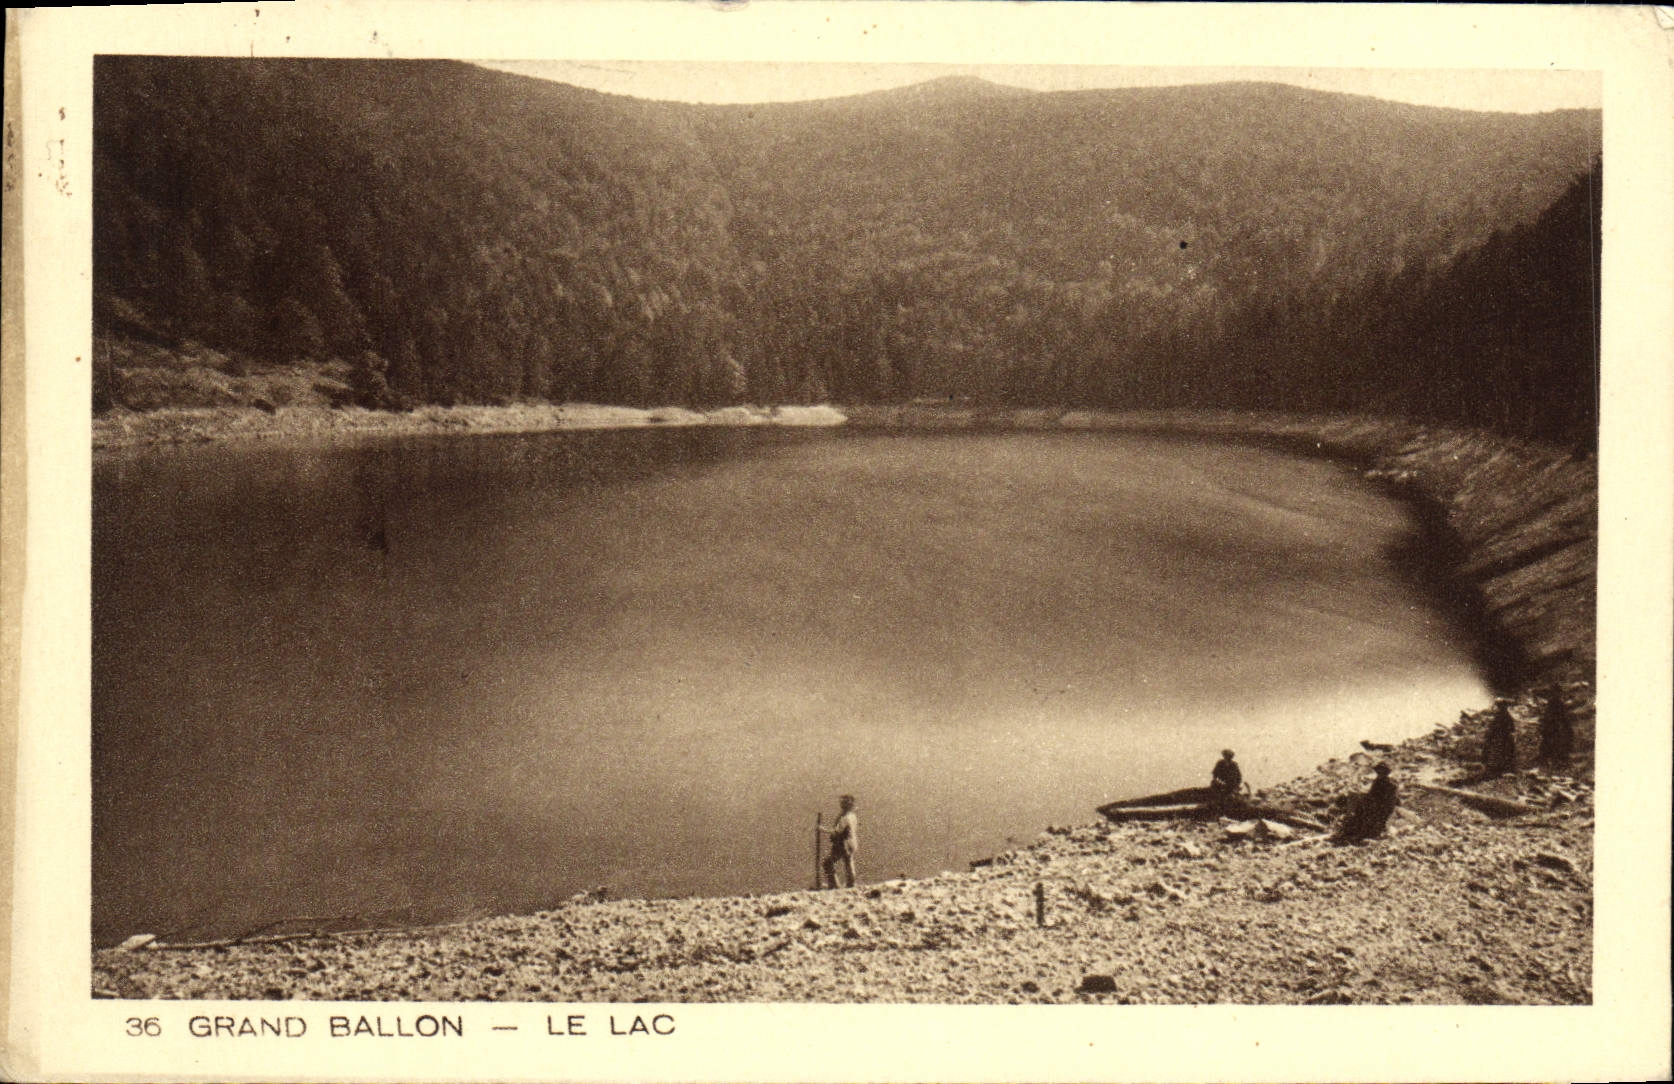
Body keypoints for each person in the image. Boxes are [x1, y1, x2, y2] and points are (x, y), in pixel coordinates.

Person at [1334, 762, 1398, 842]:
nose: (1379, 773)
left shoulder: (1384, 783)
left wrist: (1364, 799)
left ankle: (1354, 832)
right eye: (1378, 771)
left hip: (1379, 809)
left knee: (1359, 809)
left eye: (1380, 771)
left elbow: (1377, 797)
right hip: (1380, 808)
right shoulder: (1388, 783)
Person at [819, 794, 859, 889]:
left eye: (843, 802)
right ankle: (851, 884)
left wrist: (822, 829)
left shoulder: (845, 817)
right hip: (852, 843)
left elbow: (837, 831)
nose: (841, 803)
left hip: (843, 844)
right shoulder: (853, 816)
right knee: (848, 862)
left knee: (827, 863)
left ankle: (834, 885)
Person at [1538, 685, 1575, 765]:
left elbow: (1561, 717)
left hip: (1553, 727)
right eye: (1556, 693)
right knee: (1554, 743)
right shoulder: (1556, 703)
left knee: (1552, 743)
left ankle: (1551, 760)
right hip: (1554, 727)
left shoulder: (1554, 703)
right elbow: (1562, 717)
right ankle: (1553, 760)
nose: (1557, 694)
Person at [1481, 699, 1517, 776]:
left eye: (1499, 706)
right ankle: (1499, 768)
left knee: (1497, 751)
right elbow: (1512, 728)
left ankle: (1497, 768)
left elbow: (1494, 727)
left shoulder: (1501, 716)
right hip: (1502, 737)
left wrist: (1490, 734)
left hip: (1500, 737)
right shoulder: (1506, 716)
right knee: (1501, 752)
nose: (1499, 707)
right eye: (1499, 706)